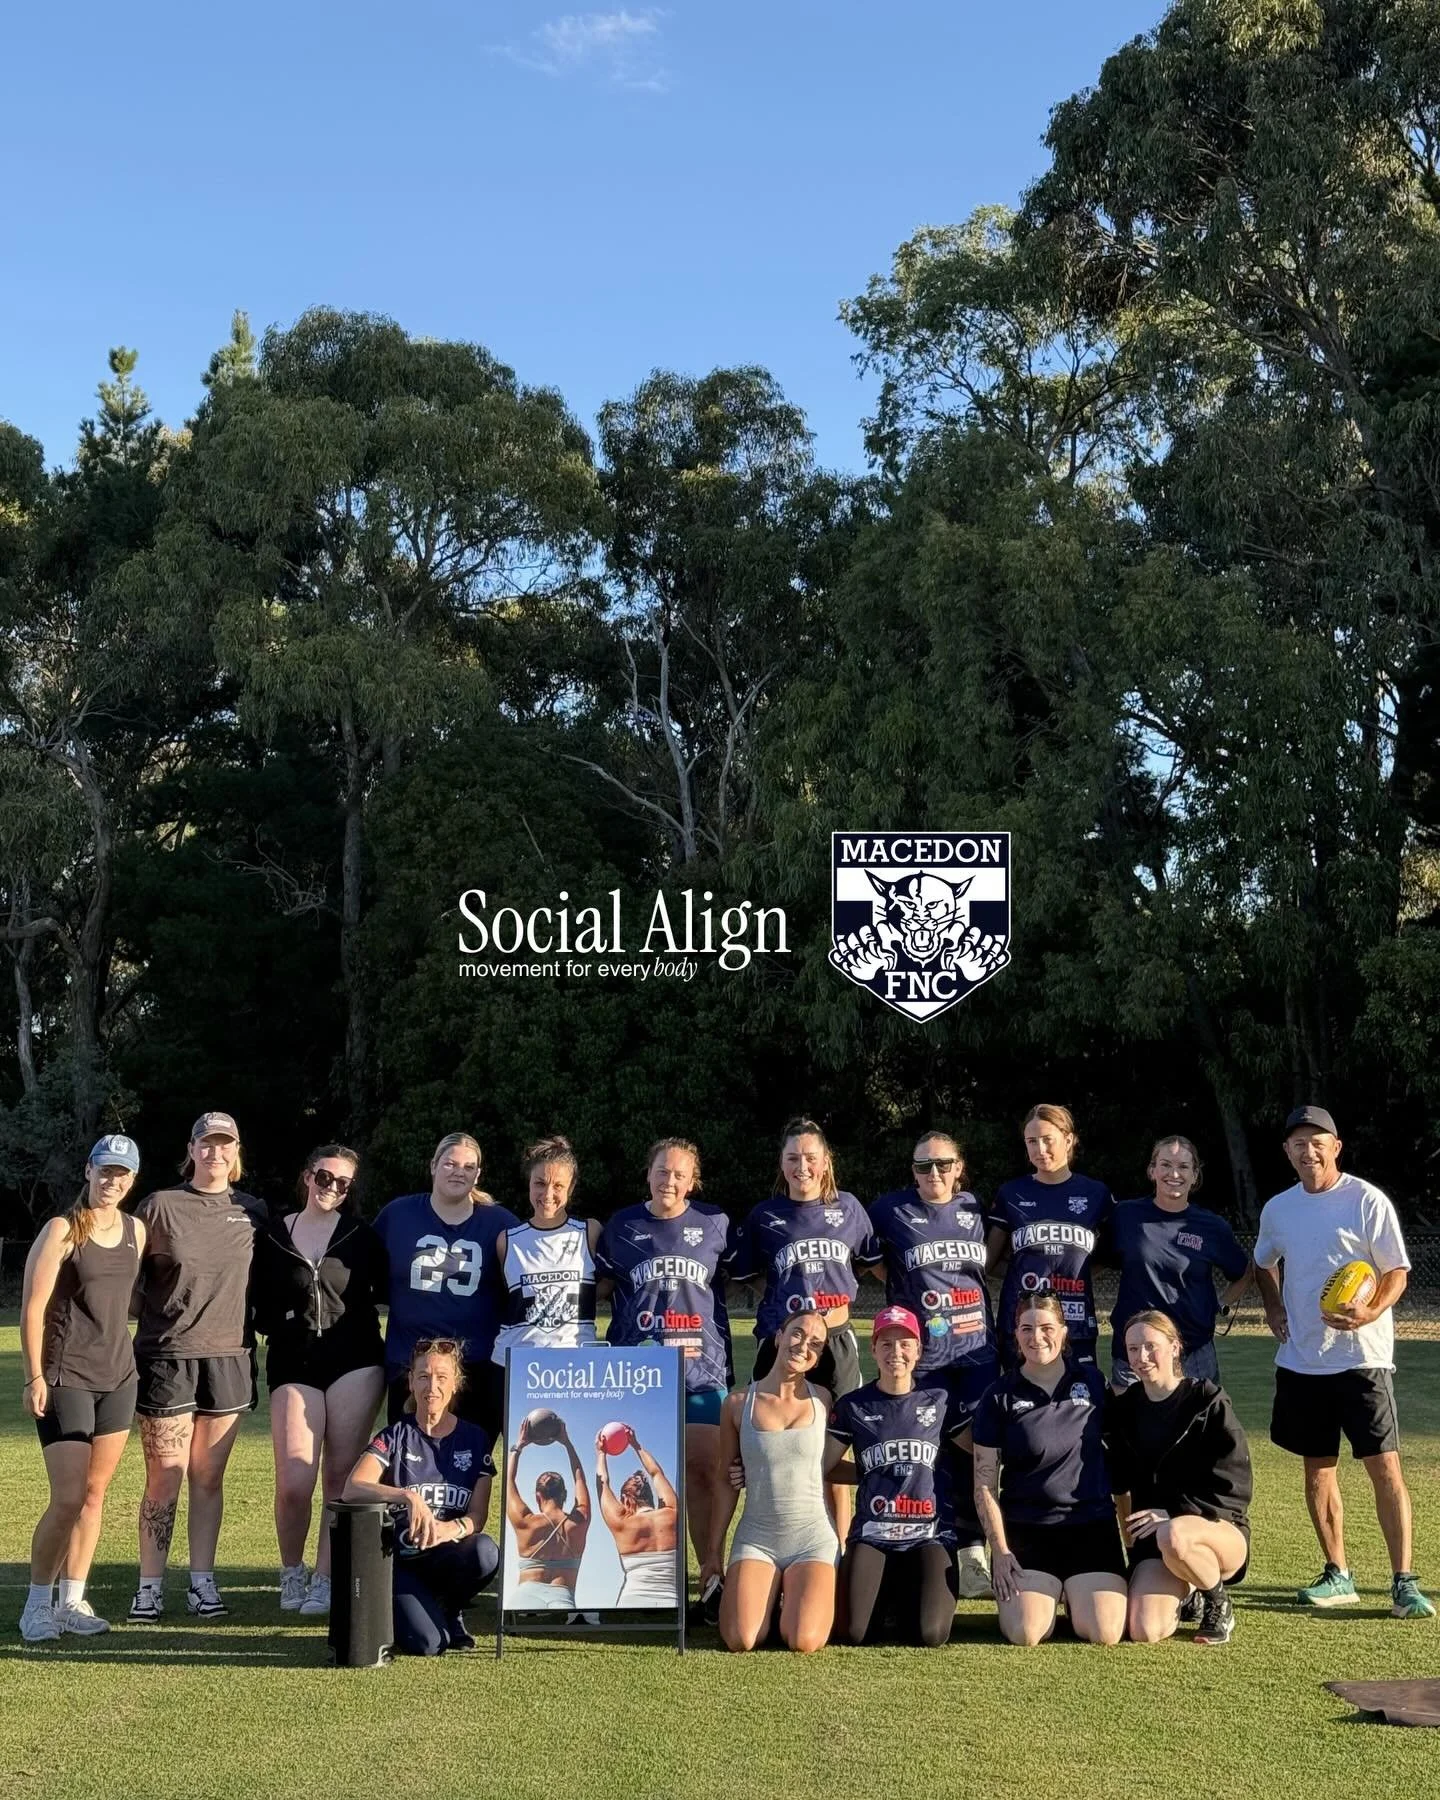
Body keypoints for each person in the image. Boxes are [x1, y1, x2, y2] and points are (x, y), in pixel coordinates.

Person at [1253, 1104, 1434, 1617]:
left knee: (1385, 1469)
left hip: (1361, 1359)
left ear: (1336, 1147)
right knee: (1317, 1473)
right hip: (1303, 1360)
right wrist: (1271, 1304)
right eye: (1297, 1143)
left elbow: (1396, 1270)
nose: (1307, 1151)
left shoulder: (1366, 1200)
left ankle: (1403, 1581)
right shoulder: (1278, 1209)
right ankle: (1339, 1575)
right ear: (1287, 1151)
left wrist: (1371, 1309)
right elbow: (1263, 1262)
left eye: (1317, 1142)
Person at [128, 1111, 267, 1623]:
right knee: (165, 1476)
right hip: (166, 1357)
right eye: (205, 1144)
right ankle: (148, 1587)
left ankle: (202, 1583)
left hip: (229, 1358)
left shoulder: (252, 1211)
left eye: (224, 1144)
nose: (215, 1153)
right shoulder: (160, 1206)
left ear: (236, 1152)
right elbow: (129, 1279)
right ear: (191, 1149)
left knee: (208, 1478)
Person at [18, 1135, 147, 1641]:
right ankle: (37, 1605)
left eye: (122, 1173)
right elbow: (32, 1308)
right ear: (88, 1171)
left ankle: (73, 1600)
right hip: (65, 1377)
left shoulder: (137, 1230)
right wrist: (33, 1375)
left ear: (132, 1180)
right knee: (67, 1497)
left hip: (119, 1378)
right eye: (104, 1171)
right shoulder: (63, 1229)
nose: (112, 1181)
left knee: (94, 1496)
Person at [726, 1116, 879, 1539]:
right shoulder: (764, 1215)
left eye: (811, 1157)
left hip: (837, 1342)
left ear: (826, 1162)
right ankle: (767, 1538)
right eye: (793, 1158)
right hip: (782, 1342)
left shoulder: (849, 1208)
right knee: (768, 1443)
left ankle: (842, 1551)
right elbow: (746, 1276)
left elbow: (868, 1264)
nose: (802, 1166)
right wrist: (783, 1305)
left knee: (837, 1438)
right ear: (782, 1163)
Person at [254, 1143, 387, 1617]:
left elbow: (392, 1293)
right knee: (294, 1478)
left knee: (340, 1474)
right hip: (293, 1361)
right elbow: (256, 1303)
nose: (332, 1188)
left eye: (343, 1183)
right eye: (325, 1177)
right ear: (308, 1176)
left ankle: (326, 1578)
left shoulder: (361, 1236)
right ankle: (292, 1571)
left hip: (355, 1358)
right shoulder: (272, 1235)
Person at [596, 1137, 733, 1596]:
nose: (669, 1180)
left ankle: (711, 1572)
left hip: (700, 1368)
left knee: (704, 1471)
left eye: (679, 1173)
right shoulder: (621, 1225)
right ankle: (640, 1583)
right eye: (662, 1171)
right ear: (648, 1174)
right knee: (632, 1478)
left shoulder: (715, 1224)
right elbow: (599, 1289)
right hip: (637, 1375)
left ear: (693, 1181)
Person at [868, 1129, 997, 1597]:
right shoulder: (889, 1209)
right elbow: (870, 1262)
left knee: (981, 1450)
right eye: (924, 1166)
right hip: (923, 1359)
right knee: (928, 1451)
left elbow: (991, 1263)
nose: (934, 1174)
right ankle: (934, 1542)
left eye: (943, 1164)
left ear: (959, 1166)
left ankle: (978, 1549)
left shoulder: (975, 1208)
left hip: (978, 1351)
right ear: (913, 1171)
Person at [969, 1293, 1127, 1646]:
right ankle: (1049, 1592)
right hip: (1027, 1528)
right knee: (1026, 1632)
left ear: (1064, 1332)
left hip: (1091, 1525)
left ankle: (1074, 1594)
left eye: (1046, 1328)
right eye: (1027, 1328)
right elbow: (984, 1483)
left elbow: (1121, 1459)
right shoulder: (998, 1395)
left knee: (1105, 1632)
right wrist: (1000, 1551)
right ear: (1015, 1334)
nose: (1036, 1337)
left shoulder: (1093, 1384)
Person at [343, 1337, 499, 1654]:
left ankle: (450, 1607)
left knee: (485, 1552)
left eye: (442, 1377)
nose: (432, 1387)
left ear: (456, 1384)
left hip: (447, 1555)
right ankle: (415, 1611)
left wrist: (448, 1530)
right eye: (424, 1376)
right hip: (402, 1561)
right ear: (411, 1382)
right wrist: (408, 1497)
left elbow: (478, 1517)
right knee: (429, 1645)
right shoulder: (395, 1436)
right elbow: (352, 1488)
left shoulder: (475, 1438)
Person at [1107, 1310, 1252, 1646]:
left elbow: (1236, 1488)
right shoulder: (1125, 1408)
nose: (1141, 1358)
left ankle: (1218, 1601)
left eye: (1150, 1346)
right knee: (1145, 1629)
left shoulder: (1208, 1401)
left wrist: (1175, 1515)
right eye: (1132, 1349)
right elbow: (1121, 1482)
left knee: (1174, 1535)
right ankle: (1190, 1591)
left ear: (1174, 1347)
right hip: (1157, 1543)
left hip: (1217, 1532)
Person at [703, 1312, 839, 1653]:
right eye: (797, 1333)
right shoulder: (737, 1404)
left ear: (819, 1356)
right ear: (779, 1336)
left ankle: (790, 1598)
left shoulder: (823, 1400)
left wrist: (844, 1539)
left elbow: (832, 1473)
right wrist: (712, 1553)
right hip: (757, 1536)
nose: (802, 1345)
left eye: (815, 1344)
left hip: (812, 1538)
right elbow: (725, 1480)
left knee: (803, 1640)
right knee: (741, 1639)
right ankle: (770, 1596)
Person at [826, 1307, 960, 1646]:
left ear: (918, 1350)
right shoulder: (855, 1405)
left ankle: (907, 1588)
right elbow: (823, 1466)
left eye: (904, 1344)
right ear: (873, 1350)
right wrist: (870, 1472)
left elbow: (980, 1452)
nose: (895, 1353)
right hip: (874, 1532)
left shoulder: (940, 1400)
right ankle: (890, 1588)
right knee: (857, 1633)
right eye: (886, 1344)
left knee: (931, 1635)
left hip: (929, 1532)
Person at [372, 1133, 520, 1435]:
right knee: (411, 1463)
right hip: (411, 1365)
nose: (458, 1171)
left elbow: (519, 1289)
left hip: (476, 1366)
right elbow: (369, 1275)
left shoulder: (500, 1224)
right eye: (450, 1163)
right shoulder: (398, 1215)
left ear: (478, 1174)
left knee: (471, 1465)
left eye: (468, 1166)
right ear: (433, 1166)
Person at [1108, 1136, 1251, 1387]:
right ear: (1152, 1170)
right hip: (1135, 1356)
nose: (1174, 1173)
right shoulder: (1125, 1215)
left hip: (1193, 1355)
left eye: (1184, 1167)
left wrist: (1221, 1304)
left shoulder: (1212, 1226)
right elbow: (1094, 1261)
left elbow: (1244, 1272)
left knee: (1198, 1427)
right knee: (1132, 1427)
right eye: (1165, 1165)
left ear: (1195, 1175)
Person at [986, 1104, 1113, 1367]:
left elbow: (1110, 1257)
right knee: (1022, 1405)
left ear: (1068, 1140)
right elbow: (989, 1262)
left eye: (1048, 1140)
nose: (1040, 1149)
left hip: (1075, 1324)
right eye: (1032, 1141)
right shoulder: (1011, 1193)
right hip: (1022, 1324)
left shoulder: (1096, 1193)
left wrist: (1072, 1278)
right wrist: (1030, 1282)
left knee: (1079, 1404)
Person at [490, 1136, 600, 1371]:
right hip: (515, 1366)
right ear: (529, 1184)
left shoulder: (589, 1232)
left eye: (558, 1185)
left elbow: (604, 1288)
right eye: (539, 1183)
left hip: (577, 1368)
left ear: (571, 1188)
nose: (548, 1194)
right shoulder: (507, 1241)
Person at [504, 1412, 591, 1609]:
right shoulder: (580, 1521)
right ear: (565, 1494)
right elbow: (580, 1480)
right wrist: (567, 1443)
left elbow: (509, 1481)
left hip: (524, 1596)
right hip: (562, 1598)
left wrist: (519, 1445)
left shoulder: (526, 1522)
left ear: (537, 1496)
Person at [594, 1427, 680, 1606]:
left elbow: (602, 1485)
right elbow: (656, 1473)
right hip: (670, 1601)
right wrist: (636, 1445)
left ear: (625, 1500)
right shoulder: (672, 1513)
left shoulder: (621, 1523)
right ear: (651, 1496)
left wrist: (601, 1453)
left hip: (632, 1601)